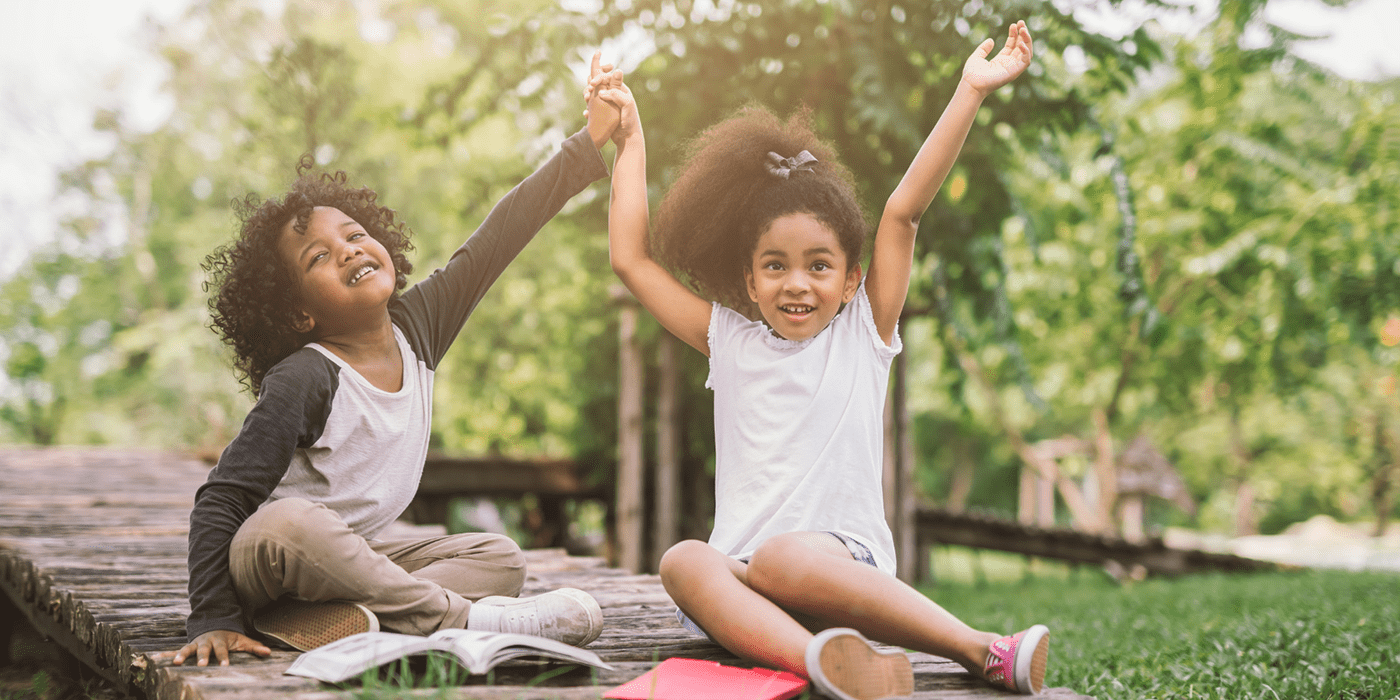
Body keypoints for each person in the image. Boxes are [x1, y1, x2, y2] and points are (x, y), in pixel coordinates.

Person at [594, 21, 1048, 699]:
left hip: (839, 572)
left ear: (851, 279)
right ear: (749, 281)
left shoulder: (862, 336)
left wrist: (970, 92)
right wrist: (631, 141)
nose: (796, 284)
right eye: (774, 266)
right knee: (685, 559)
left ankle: (980, 648)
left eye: (818, 266)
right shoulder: (731, 340)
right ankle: (824, 664)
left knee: (782, 554)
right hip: (748, 600)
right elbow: (631, 259)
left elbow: (902, 213)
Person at [161, 55, 624, 668]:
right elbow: (221, 499)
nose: (348, 250)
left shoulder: (419, 328)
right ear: (298, 314)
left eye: (353, 234)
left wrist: (587, 142)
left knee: (501, 558)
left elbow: (498, 238)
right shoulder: (307, 375)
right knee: (292, 524)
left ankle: (340, 621)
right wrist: (214, 616)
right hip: (271, 559)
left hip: (350, 565)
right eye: (318, 257)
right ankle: (463, 619)